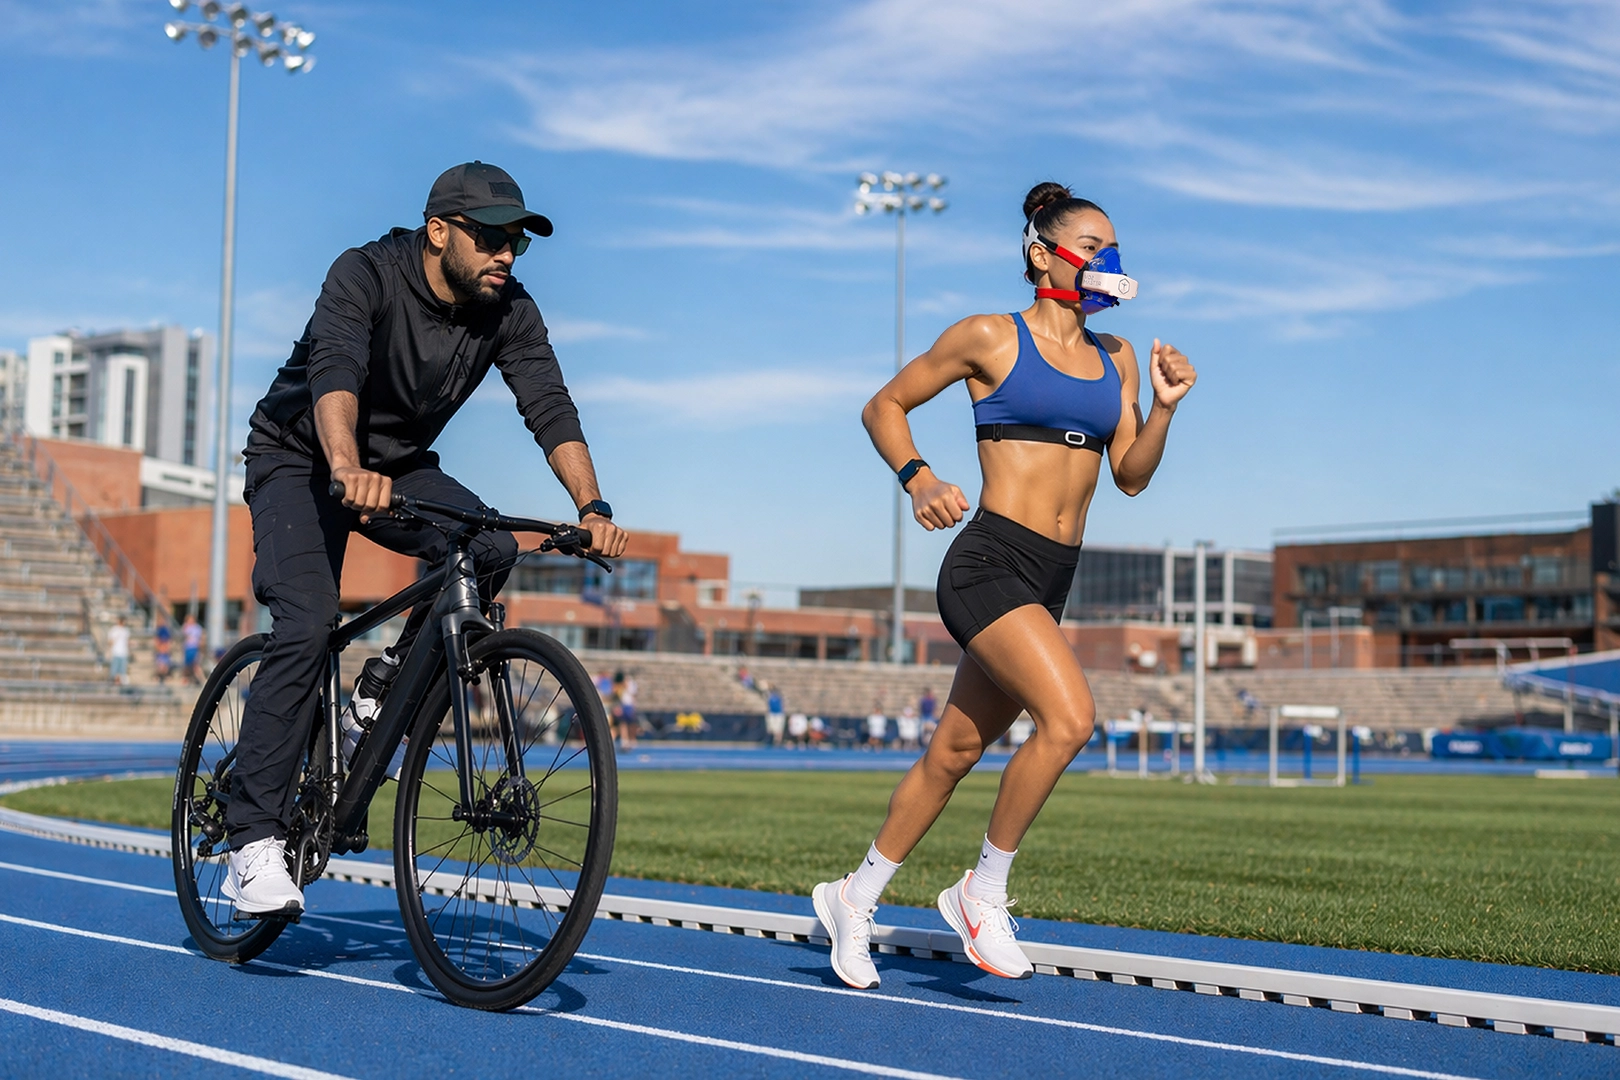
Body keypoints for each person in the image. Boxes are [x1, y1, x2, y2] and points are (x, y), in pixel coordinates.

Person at [217, 162, 629, 919]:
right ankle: (251, 843)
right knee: (307, 623)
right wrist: (344, 464)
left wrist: (592, 505)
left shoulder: (509, 309)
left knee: (491, 547)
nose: (507, 253)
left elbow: (548, 402)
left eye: (518, 242)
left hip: (400, 467)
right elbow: (333, 368)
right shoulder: (364, 273)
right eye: (492, 237)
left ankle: (374, 697)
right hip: (301, 456)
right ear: (439, 231)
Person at [811, 182, 1196, 988]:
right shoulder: (990, 335)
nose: (1108, 258)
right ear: (1041, 250)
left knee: (953, 751)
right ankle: (981, 893)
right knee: (1070, 718)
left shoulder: (1117, 356)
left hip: (1052, 578)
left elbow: (1129, 476)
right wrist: (917, 478)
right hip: (988, 562)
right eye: (1093, 243)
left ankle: (855, 894)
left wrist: (1161, 409)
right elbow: (884, 405)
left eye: (1113, 246)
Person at [107, 615, 130, 686]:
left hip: (123, 653)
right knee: (114, 670)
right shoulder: (114, 630)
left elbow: (127, 642)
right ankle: (113, 683)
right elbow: (110, 642)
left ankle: (120, 683)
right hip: (116, 652)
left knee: (122, 671)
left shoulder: (126, 631)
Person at [180, 614, 203, 685]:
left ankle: (201, 679)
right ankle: (186, 679)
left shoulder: (197, 628)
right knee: (187, 665)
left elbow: (200, 638)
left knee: (195, 664)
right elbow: (183, 635)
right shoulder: (186, 627)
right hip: (188, 648)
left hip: (194, 648)